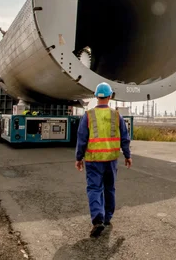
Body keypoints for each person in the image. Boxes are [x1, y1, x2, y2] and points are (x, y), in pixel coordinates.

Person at [75, 82, 132, 238]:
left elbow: (81, 139)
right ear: (110, 96)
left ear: (96, 96)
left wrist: (78, 158)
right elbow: (125, 138)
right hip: (111, 159)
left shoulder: (88, 115)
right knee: (109, 188)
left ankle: (97, 218)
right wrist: (127, 155)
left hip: (93, 159)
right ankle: (107, 218)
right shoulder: (116, 115)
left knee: (94, 189)